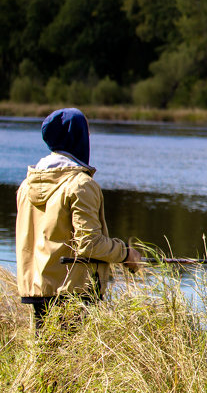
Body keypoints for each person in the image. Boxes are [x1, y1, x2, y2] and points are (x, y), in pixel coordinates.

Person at [15, 108, 142, 328]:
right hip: (72, 292)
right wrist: (126, 254)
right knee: (70, 361)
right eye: (87, 132)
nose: (89, 138)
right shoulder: (81, 185)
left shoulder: (26, 186)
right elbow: (90, 245)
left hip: (37, 289)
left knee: (45, 358)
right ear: (78, 137)